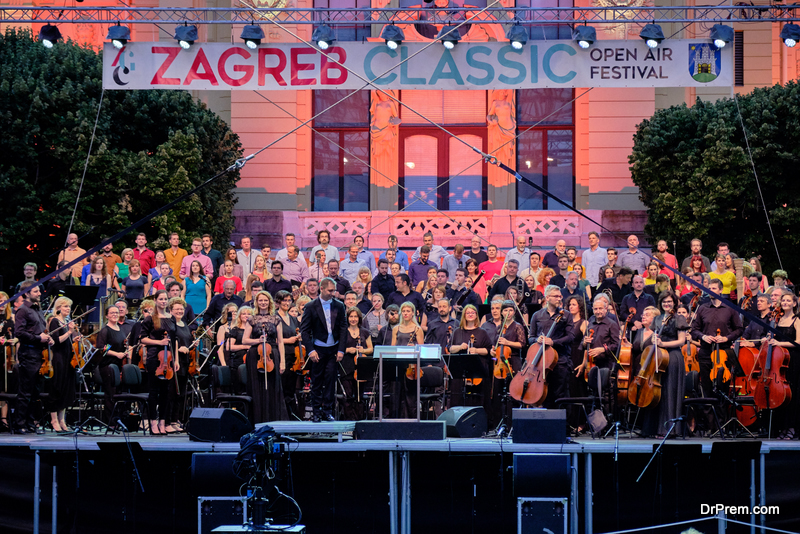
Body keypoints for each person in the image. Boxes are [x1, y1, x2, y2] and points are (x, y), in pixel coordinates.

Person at [299, 278, 348, 422]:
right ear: (322, 289)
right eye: (330, 290)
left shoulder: (339, 306)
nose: (333, 293)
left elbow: (343, 329)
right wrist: (310, 350)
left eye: (334, 290)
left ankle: (328, 411)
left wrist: (341, 350)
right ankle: (316, 412)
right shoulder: (311, 306)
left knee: (330, 380)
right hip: (318, 349)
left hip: (333, 349)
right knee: (317, 381)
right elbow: (305, 331)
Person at [690, 279, 743, 399]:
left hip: (724, 352)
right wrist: (703, 336)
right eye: (709, 288)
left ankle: (721, 416)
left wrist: (726, 338)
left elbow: (739, 329)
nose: (711, 291)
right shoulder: (702, 308)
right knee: (706, 387)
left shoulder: (730, 308)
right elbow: (694, 330)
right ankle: (708, 416)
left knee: (723, 388)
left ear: (720, 290)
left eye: (714, 288)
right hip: (706, 352)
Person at [242, 291, 289, 423]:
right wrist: (258, 340)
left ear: (270, 302)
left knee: (273, 388)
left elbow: (280, 342)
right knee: (256, 388)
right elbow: (244, 340)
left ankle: (273, 421)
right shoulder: (252, 319)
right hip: (255, 356)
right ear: (257, 303)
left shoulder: (276, 319)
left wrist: (283, 362)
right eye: (260, 300)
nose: (263, 303)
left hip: (272, 355)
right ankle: (257, 421)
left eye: (265, 300)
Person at [529, 285, 574, 408]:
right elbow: (530, 337)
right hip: (541, 362)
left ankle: (563, 424)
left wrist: (553, 342)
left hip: (560, 360)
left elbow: (570, 337)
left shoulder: (566, 315)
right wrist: (536, 339)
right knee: (544, 394)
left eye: (560, 296)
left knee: (560, 394)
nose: (559, 298)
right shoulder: (537, 316)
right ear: (547, 297)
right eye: (556, 296)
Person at [651, 292, 689, 437]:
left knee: (671, 391)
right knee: (661, 393)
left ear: (674, 303)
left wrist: (663, 343)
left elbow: (681, 341)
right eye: (664, 302)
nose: (667, 304)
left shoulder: (678, 318)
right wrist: (655, 341)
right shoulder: (657, 319)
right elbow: (655, 336)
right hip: (660, 357)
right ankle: (660, 428)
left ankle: (673, 429)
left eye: (669, 302)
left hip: (673, 356)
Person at [766, 291, 800, 439]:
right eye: (783, 300)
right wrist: (768, 339)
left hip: (793, 360)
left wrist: (779, 343)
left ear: (794, 303)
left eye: (788, 301)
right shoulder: (778, 320)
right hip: (779, 362)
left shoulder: (797, 320)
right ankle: (782, 427)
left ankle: (792, 428)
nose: (785, 302)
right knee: (781, 395)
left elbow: (798, 342)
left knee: (792, 394)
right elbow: (774, 339)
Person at [139, 290, 172, 435]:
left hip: (168, 359)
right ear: (156, 301)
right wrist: (159, 342)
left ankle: (162, 422)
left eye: (165, 299)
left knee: (166, 392)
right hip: (154, 358)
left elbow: (174, 340)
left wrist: (175, 359)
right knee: (154, 391)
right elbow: (143, 339)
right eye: (161, 299)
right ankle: (153, 422)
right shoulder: (150, 319)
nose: (164, 301)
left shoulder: (171, 319)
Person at [46, 297, 79, 432]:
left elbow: (67, 341)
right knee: (57, 387)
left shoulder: (66, 322)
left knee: (66, 389)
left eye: (69, 307)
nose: (68, 309)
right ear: (58, 308)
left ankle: (62, 419)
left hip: (67, 357)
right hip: (58, 358)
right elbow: (56, 340)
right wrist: (70, 332)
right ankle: (53, 419)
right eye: (65, 306)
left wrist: (74, 337)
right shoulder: (55, 321)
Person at [449, 304, 492, 408]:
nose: (470, 314)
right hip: (460, 372)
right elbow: (451, 348)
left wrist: (476, 350)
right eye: (468, 313)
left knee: (477, 400)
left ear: (476, 315)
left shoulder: (482, 332)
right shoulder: (457, 332)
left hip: (478, 371)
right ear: (464, 315)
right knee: (459, 398)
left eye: (473, 312)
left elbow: (488, 350)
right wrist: (459, 347)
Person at [96, 305, 130, 425]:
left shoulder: (119, 330)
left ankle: (118, 420)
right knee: (110, 394)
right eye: (112, 313)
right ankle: (110, 422)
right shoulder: (106, 330)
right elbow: (102, 348)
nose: (115, 314)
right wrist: (117, 354)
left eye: (116, 312)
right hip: (108, 366)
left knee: (117, 394)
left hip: (118, 365)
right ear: (107, 316)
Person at [163, 297, 192, 432]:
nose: (180, 311)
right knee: (171, 393)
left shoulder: (184, 324)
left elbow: (186, 341)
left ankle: (175, 420)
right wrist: (179, 349)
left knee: (180, 393)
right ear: (171, 310)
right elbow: (169, 341)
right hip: (174, 361)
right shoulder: (170, 324)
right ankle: (167, 421)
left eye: (182, 309)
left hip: (185, 361)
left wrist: (192, 345)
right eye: (177, 309)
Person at [341, 307, 373, 420]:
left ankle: (360, 420)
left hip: (361, 367)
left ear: (359, 318)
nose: (353, 319)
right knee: (348, 395)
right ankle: (349, 421)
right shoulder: (343, 331)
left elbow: (370, 349)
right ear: (347, 318)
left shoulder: (364, 331)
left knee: (359, 396)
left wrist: (362, 350)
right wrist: (347, 350)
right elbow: (337, 349)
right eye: (351, 316)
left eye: (355, 316)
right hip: (347, 366)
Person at [84, 256, 113, 323]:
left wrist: (107, 303)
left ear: (103, 265)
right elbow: (87, 291)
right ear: (94, 264)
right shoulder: (89, 276)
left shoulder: (107, 276)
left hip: (102, 302)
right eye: (97, 263)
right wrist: (87, 305)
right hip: (92, 302)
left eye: (101, 263)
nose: (99, 265)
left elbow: (108, 291)